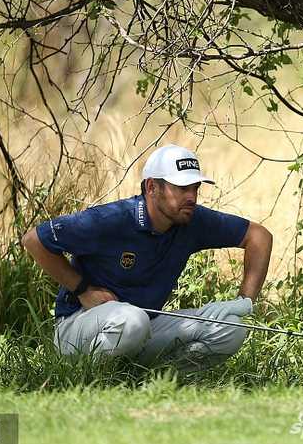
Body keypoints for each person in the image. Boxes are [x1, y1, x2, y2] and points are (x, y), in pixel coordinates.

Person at [21, 144, 273, 371]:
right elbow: (34, 240)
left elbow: (259, 237)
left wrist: (244, 300)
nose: (192, 197)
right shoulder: (111, 220)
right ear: (152, 187)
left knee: (232, 327)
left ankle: (157, 382)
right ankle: (85, 379)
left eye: (195, 188)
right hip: (78, 331)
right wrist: (82, 288)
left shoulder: (191, 219)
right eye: (182, 188)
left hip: (144, 328)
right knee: (133, 321)